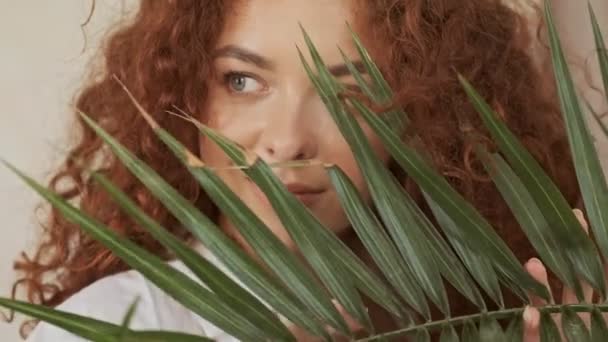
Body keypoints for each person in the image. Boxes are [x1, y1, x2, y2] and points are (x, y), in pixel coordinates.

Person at [9, 0, 596, 341]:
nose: (289, 140)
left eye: (350, 92)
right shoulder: (100, 330)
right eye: (242, 81)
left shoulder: (492, 312)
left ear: (424, 115)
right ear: (183, 95)